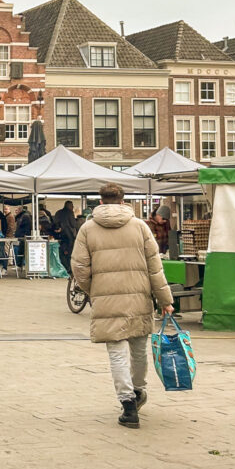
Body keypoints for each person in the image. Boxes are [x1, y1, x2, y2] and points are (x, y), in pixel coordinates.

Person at [71, 183, 174, 429]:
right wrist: (165, 299)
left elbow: (79, 267)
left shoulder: (87, 229)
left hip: (106, 298)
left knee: (116, 353)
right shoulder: (140, 226)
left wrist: (92, 290)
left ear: (101, 201)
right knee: (138, 350)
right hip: (138, 296)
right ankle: (138, 391)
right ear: (122, 200)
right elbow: (154, 266)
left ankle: (128, 405)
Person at [54, 201, 78, 270]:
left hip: (58, 236)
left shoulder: (58, 212)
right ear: (69, 206)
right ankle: (68, 268)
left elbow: (55, 223)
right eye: (72, 206)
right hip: (68, 236)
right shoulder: (70, 213)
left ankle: (61, 267)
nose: (73, 207)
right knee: (69, 253)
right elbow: (73, 224)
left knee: (60, 252)